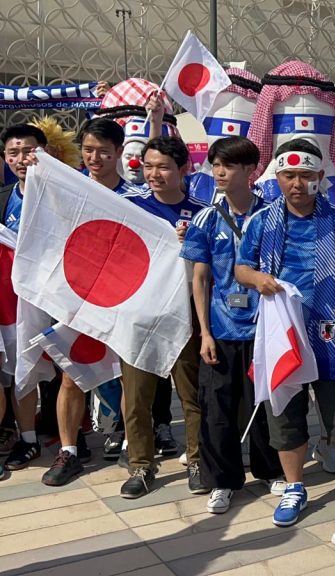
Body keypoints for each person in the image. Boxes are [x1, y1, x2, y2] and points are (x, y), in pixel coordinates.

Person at [235, 138, 335, 527]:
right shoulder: (260, 222)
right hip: (281, 333)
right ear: (277, 177)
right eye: (288, 175)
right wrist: (258, 279)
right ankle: (294, 486)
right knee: (285, 414)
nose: (296, 183)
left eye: (305, 175)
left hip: (329, 334)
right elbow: (241, 268)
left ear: (320, 177)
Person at [180, 136, 284, 514]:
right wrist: (204, 332)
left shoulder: (274, 215)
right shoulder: (206, 218)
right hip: (221, 331)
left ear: (250, 170)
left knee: (266, 405)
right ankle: (221, 481)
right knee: (217, 409)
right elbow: (200, 278)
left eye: (227, 165)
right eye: (215, 165)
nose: (219, 172)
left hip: (263, 329)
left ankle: (272, 469)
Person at [41, 118, 144, 486]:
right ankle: (69, 451)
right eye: (88, 150)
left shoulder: (140, 200)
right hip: (79, 301)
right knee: (72, 373)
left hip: (127, 302)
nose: (94, 157)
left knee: (131, 376)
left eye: (103, 150)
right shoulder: (69, 194)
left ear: (119, 152)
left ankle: (137, 449)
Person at [118, 136, 207, 498]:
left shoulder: (201, 213)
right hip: (138, 317)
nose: (153, 174)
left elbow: (210, 266)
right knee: (137, 396)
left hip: (184, 316)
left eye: (163, 167)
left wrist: (189, 245)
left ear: (183, 169)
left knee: (192, 395)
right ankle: (141, 464)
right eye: (148, 166)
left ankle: (198, 460)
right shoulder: (127, 206)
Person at [0, 124, 48, 473]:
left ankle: (66, 440)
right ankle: (24, 438)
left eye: (28, 151)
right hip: (8, 304)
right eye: (13, 153)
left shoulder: (60, 194)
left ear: (43, 152)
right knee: (17, 371)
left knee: (62, 372)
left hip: (50, 298)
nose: (21, 159)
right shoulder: (3, 199)